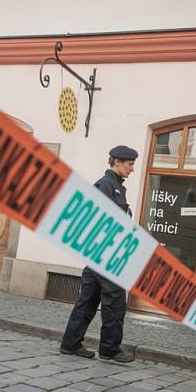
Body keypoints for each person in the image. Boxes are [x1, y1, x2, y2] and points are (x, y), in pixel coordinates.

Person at [60, 145, 138, 363]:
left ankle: (70, 344)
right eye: (130, 164)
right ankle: (110, 350)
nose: (132, 169)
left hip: (100, 256)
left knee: (87, 301)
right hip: (105, 256)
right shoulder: (105, 185)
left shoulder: (116, 187)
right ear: (117, 162)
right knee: (114, 303)